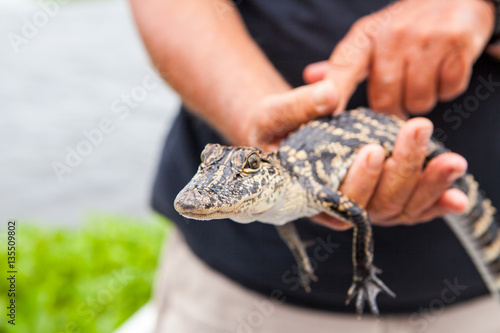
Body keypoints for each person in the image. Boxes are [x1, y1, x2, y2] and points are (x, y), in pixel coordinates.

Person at [130, 0, 500, 331]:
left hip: (477, 302)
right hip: (239, 294)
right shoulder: (287, 193)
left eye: (247, 167)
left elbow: (352, 214)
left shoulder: (304, 187)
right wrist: (250, 115)